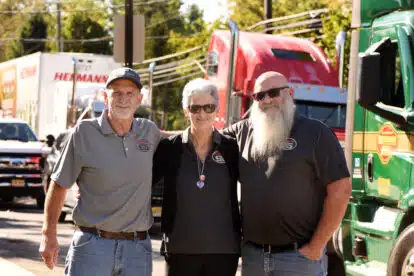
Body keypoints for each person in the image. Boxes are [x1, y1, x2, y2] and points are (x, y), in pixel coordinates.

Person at [221, 71, 352, 275]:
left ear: (289, 93)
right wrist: (157, 135)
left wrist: (317, 246)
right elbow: (203, 140)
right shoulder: (243, 132)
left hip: (299, 259)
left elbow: (341, 190)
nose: (266, 100)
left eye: (273, 93)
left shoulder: (317, 133)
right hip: (253, 257)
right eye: (259, 96)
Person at [39, 67, 161, 276]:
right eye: (116, 93)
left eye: (130, 93)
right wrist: (48, 235)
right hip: (92, 246)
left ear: (139, 99)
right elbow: (59, 185)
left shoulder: (148, 131)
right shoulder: (84, 132)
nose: (123, 99)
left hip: (137, 250)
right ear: (106, 97)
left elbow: (187, 138)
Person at [153, 78, 241, 276]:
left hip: (224, 251)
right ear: (186, 111)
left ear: (217, 110)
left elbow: (256, 184)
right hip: (179, 249)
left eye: (208, 107)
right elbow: (141, 183)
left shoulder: (231, 148)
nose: (202, 114)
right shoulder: (170, 148)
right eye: (195, 108)